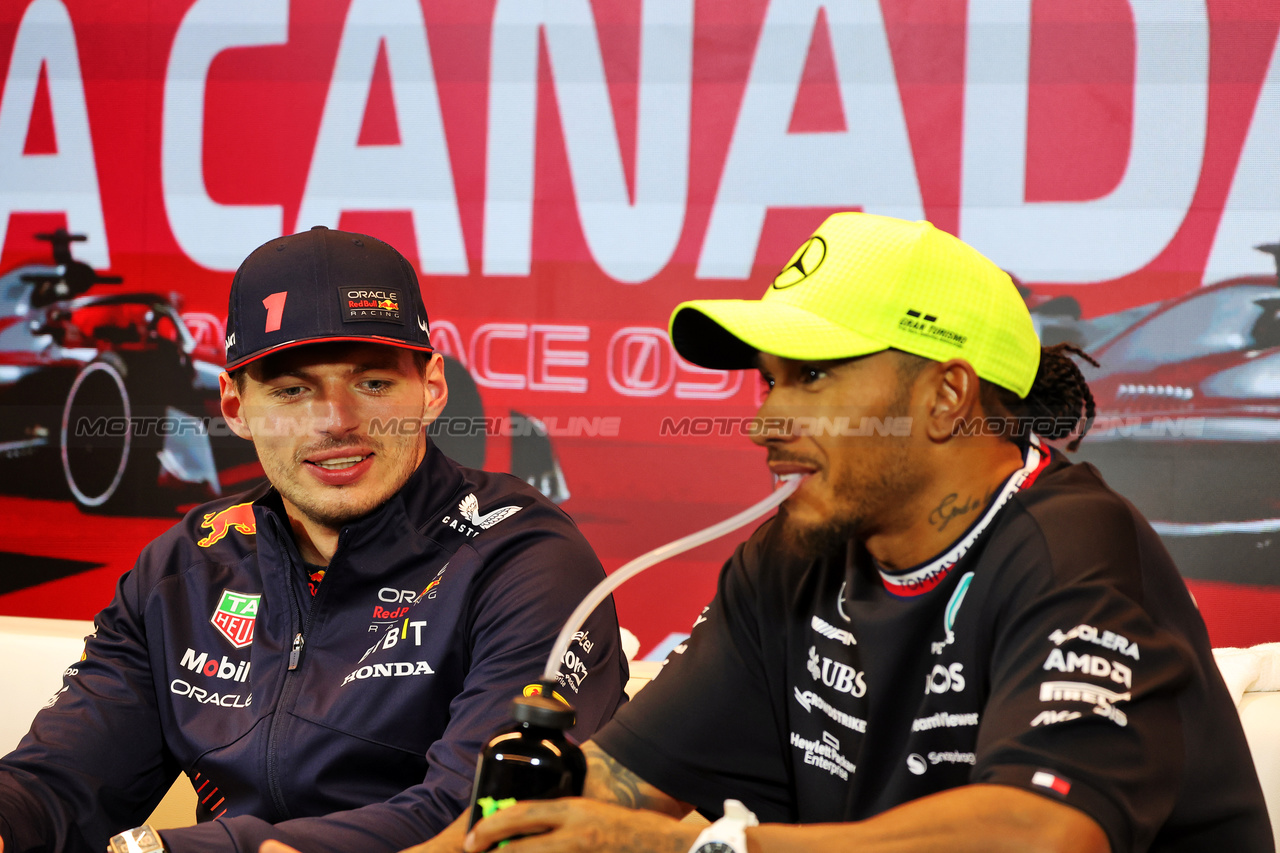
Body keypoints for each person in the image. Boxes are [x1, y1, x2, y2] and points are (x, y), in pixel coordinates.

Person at [418, 212, 1272, 853]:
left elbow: (1041, 834)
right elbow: (616, 782)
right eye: (770, 382)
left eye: (814, 378)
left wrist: (703, 847)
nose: (766, 423)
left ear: (946, 398)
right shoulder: (792, 557)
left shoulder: (1073, 544)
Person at [0, 227, 629, 853]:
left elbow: (486, 814)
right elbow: (60, 785)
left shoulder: (525, 556)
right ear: (234, 405)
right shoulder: (185, 566)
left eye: (373, 383)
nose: (335, 422)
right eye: (292, 390)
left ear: (431, 388)